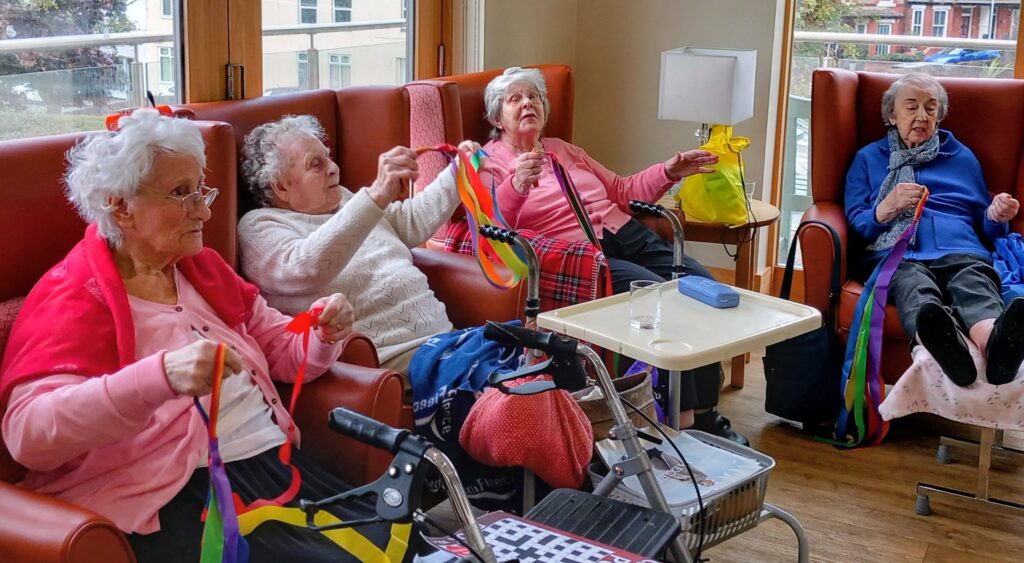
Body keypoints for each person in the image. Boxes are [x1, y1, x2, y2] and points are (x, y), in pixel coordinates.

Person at [0, 109, 409, 562]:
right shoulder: (72, 294)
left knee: (413, 543)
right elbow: (29, 435)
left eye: (201, 190)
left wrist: (320, 334)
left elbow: (284, 354)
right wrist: (159, 377)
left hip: (274, 467)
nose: (205, 209)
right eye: (181, 194)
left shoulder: (201, 267)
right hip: (178, 495)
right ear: (120, 204)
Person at [476, 66, 747, 445]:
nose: (527, 104)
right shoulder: (491, 162)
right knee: (663, 304)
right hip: (583, 254)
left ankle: (703, 411)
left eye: (534, 97)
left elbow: (622, 190)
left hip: (623, 232)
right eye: (515, 99)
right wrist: (517, 183)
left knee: (701, 287)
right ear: (495, 117)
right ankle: (687, 422)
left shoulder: (564, 149)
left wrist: (669, 171)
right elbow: (491, 224)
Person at [237, 115, 478, 377]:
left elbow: (408, 222)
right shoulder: (260, 225)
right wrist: (376, 194)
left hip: (450, 343)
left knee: (524, 366)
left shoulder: (345, 199)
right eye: (316, 164)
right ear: (281, 186)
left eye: (328, 157)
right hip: (403, 363)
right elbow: (306, 267)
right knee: (514, 390)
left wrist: (458, 173)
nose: (334, 168)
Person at [845, 72, 1023, 387]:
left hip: (961, 248)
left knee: (973, 282)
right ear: (891, 114)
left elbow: (983, 222)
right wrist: (886, 207)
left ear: (939, 115)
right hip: (898, 254)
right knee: (914, 288)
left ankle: (995, 349)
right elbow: (857, 223)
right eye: (911, 107)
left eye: (931, 108)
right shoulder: (869, 159)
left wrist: (995, 216)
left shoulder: (961, 157)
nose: (922, 116)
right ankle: (953, 355)